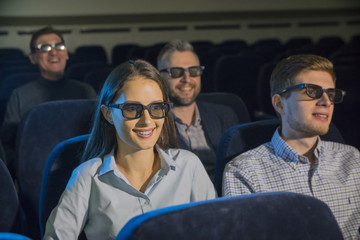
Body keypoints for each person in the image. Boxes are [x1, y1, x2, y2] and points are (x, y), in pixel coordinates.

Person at [44, 59, 216, 239]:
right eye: (132, 109)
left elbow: (216, 231)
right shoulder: (87, 177)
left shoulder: (189, 166)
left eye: (156, 107)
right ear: (108, 114)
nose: (147, 121)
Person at [223, 54, 360, 239]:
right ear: (280, 104)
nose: (326, 102)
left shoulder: (352, 159)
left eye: (331, 94)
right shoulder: (245, 171)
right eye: (312, 91)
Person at [1, 26, 97, 169]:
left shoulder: (86, 91)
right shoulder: (20, 95)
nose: (53, 52)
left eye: (59, 46)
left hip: (82, 168)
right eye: (44, 48)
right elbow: (9, 146)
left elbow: (98, 135)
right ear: (33, 58)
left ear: (66, 54)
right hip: (36, 172)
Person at [157, 39, 240, 181]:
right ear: (159, 77)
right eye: (176, 72)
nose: (187, 79)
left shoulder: (224, 114)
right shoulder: (153, 122)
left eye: (194, 71)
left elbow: (241, 165)